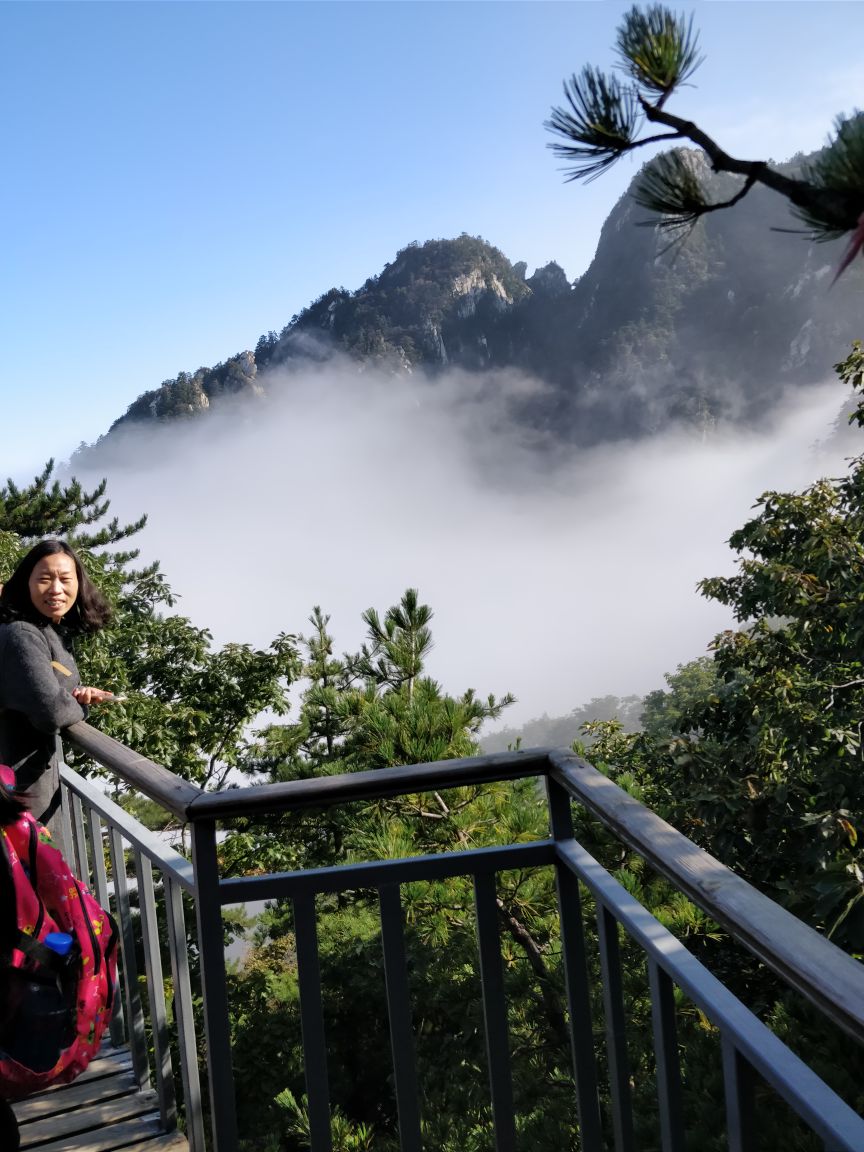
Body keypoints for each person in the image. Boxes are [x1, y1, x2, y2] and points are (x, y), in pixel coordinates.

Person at [0, 540, 113, 857]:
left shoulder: (48, 629)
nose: (56, 588)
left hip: (30, 786)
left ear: (79, 583)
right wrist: (79, 705)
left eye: (66, 578)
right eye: (44, 578)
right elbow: (50, 709)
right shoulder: (22, 632)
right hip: (16, 796)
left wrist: (75, 696)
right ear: (26, 582)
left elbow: (49, 692)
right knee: (36, 892)